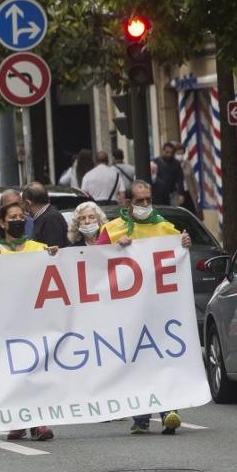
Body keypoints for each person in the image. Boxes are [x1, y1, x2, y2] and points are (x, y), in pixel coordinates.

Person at [96, 180, 192, 434]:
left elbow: (178, 260)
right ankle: (140, 417)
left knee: (162, 357)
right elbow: (94, 263)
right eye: (140, 201)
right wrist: (116, 249)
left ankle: (169, 410)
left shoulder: (165, 228)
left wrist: (184, 243)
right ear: (128, 203)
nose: (145, 205)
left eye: (148, 200)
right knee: (138, 361)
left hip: (160, 309)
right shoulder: (113, 230)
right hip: (127, 311)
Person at [0, 202, 58, 442]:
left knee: (34, 370)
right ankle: (18, 421)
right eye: (12, 217)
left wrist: (54, 257)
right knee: (11, 373)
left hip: (33, 323)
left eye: (22, 216)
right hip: (3, 325)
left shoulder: (39, 248)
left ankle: (39, 422)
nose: (18, 220)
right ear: (2, 222)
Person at [23, 182, 70, 248]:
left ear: (28, 203)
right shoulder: (43, 217)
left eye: (23, 203)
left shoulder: (51, 218)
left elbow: (54, 250)